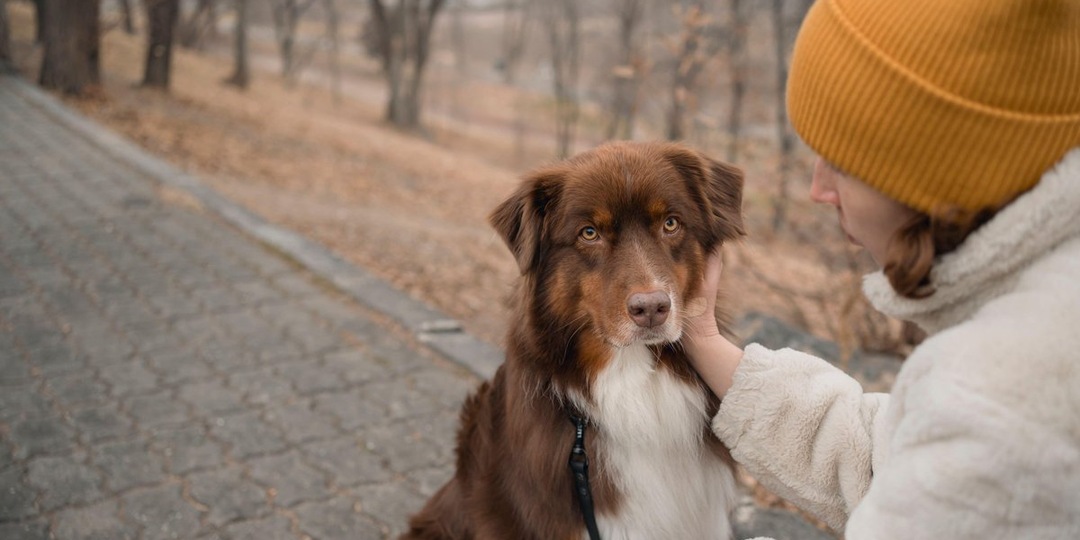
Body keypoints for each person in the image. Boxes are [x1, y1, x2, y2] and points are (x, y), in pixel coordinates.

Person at [684, 0, 1080, 538]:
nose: (818, 191)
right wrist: (704, 338)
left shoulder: (1006, 397)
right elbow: (893, 461)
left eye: (844, 164)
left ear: (941, 177)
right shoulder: (1040, 314)